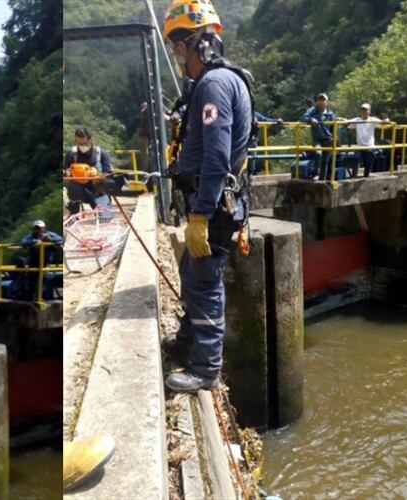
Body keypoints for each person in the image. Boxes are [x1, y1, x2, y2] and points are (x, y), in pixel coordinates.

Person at [160, 0, 253, 393]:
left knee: (203, 283)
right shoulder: (221, 81)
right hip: (213, 201)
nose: (178, 59)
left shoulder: (214, 84)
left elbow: (217, 154)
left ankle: (205, 369)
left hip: (213, 206)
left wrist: (200, 213)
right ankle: (186, 345)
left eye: (179, 48)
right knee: (191, 275)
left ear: (196, 44)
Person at [64, 127, 115, 214]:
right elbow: (65, 172)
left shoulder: (101, 153)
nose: (82, 146)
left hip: (98, 191)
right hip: (79, 191)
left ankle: (102, 207)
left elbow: (109, 175)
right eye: (79, 144)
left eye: (84, 143)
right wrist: (69, 174)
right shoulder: (71, 154)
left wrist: (98, 177)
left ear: (90, 140)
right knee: (72, 186)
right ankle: (74, 212)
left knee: (105, 218)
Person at [302, 93, 340, 181]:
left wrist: (334, 137)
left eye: (323, 100)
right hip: (317, 140)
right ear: (317, 102)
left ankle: (322, 180)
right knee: (318, 153)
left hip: (328, 140)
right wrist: (311, 119)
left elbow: (334, 127)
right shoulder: (313, 110)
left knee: (325, 161)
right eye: (319, 100)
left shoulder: (330, 114)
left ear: (327, 102)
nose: (321, 102)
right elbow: (304, 116)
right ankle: (316, 174)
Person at [347, 103, 390, 177]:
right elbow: (347, 122)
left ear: (369, 111)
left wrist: (386, 120)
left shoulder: (372, 120)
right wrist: (341, 119)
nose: (364, 112)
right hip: (359, 146)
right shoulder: (357, 120)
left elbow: (382, 123)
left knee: (368, 162)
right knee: (356, 159)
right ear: (360, 112)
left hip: (370, 146)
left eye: (366, 110)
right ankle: (354, 176)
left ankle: (366, 176)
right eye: (362, 110)